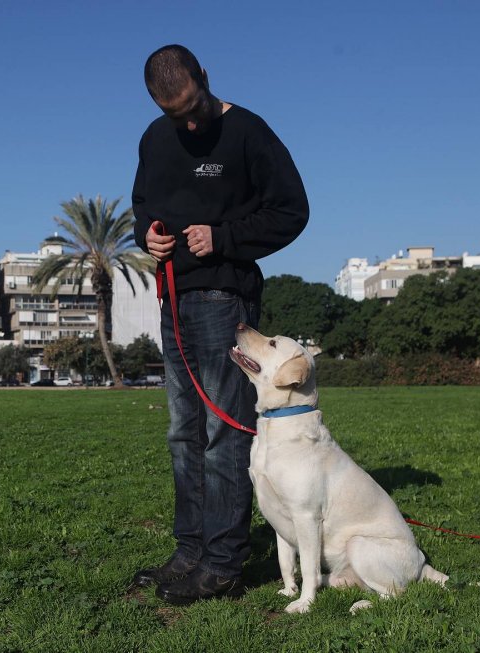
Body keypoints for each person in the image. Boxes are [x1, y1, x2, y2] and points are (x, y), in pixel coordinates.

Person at [131, 44, 309, 605]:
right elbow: (142, 204)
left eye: (192, 105)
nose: (186, 120)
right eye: (172, 112)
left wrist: (224, 237)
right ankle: (190, 551)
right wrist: (147, 236)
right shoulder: (155, 138)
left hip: (223, 301)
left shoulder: (249, 132)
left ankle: (223, 563)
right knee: (183, 434)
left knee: (222, 432)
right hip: (173, 299)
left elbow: (292, 210)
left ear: (205, 78)